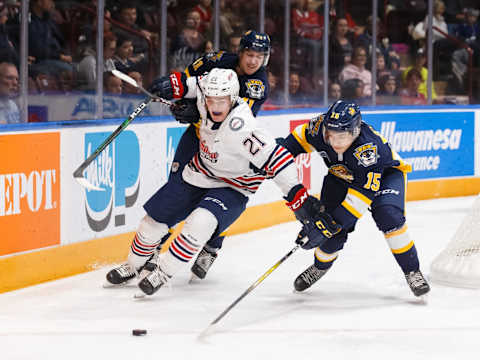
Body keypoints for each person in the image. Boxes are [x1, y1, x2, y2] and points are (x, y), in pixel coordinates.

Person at [105, 68, 334, 296]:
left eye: (221, 101)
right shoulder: (208, 94)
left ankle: (163, 273)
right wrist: (174, 85)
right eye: (211, 99)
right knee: (151, 224)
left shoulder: (242, 126)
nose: (215, 106)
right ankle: (134, 266)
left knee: (199, 224)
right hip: (198, 172)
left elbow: (278, 158)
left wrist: (297, 196)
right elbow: (195, 83)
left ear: (233, 98)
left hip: (233, 186)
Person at [125, 30, 271, 282]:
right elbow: (188, 81)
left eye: (260, 56)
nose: (253, 62)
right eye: (249, 54)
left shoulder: (258, 84)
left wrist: (194, 111)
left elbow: (228, 115)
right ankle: (153, 247)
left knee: (217, 197)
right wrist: (172, 86)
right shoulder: (215, 60)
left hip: (226, 144)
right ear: (240, 52)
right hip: (197, 137)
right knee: (177, 187)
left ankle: (212, 245)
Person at [280, 100, 430, 297]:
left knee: (388, 216)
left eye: (342, 136)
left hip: (385, 176)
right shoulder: (318, 128)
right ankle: (320, 267)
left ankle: (412, 270)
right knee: (332, 236)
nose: (335, 142)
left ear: (355, 130)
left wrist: (328, 224)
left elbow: (358, 202)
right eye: (331, 134)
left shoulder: (369, 149)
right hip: (341, 177)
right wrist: (275, 156)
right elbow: (296, 140)